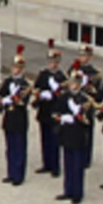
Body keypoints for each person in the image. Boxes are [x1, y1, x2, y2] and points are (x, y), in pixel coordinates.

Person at [53, 65, 95, 204]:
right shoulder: (64, 97)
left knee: (77, 166)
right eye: (71, 83)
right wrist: (63, 117)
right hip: (67, 133)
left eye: (76, 83)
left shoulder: (85, 100)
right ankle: (68, 190)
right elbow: (55, 112)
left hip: (78, 135)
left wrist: (78, 116)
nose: (73, 85)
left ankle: (77, 194)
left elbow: (88, 120)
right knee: (68, 164)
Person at [0, 48, 32, 185]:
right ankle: (11, 173)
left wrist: (7, 99)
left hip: (19, 118)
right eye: (14, 67)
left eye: (17, 68)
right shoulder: (8, 82)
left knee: (19, 147)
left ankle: (19, 175)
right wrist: (1, 100)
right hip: (9, 117)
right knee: (10, 147)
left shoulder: (25, 85)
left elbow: (21, 101)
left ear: (21, 70)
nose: (14, 70)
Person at [33, 42, 66, 176]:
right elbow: (37, 87)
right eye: (51, 61)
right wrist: (40, 95)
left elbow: (63, 95)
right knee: (45, 138)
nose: (53, 64)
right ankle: (46, 163)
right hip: (44, 109)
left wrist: (53, 94)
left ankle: (55, 166)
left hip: (54, 110)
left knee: (54, 140)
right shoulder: (43, 74)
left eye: (55, 61)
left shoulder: (61, 77)